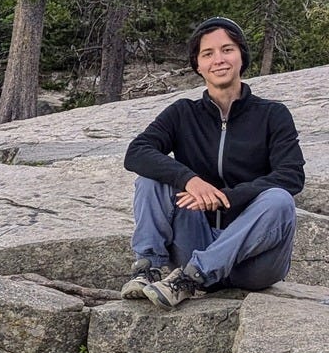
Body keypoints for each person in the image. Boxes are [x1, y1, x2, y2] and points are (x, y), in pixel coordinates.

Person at [120, 17, 305, 310]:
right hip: (195, 244)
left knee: (280, 200)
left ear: (242, 56)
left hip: (254, 264)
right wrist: (189, 180)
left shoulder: (273, 115)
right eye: (208, 54)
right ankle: (147, 269)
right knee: (150, 178)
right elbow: (137, 152)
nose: (218, 59)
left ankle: (192, 279)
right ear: (198, 65)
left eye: (227, 50)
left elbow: (292, 175)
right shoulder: (183, 113)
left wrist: (228, 198)